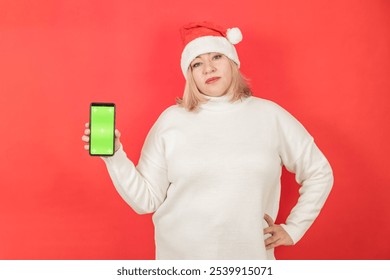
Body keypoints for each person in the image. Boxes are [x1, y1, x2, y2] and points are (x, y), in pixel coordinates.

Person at [82, 21, 333, 260]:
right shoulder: (171, 121)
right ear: (189, 74)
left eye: (216, 57)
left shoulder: (270, 115)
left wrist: (294, 228)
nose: (208, 69)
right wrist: (113, 155)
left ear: (232, 61)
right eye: (196, 64)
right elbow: (145, 200)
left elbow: (319, 172)